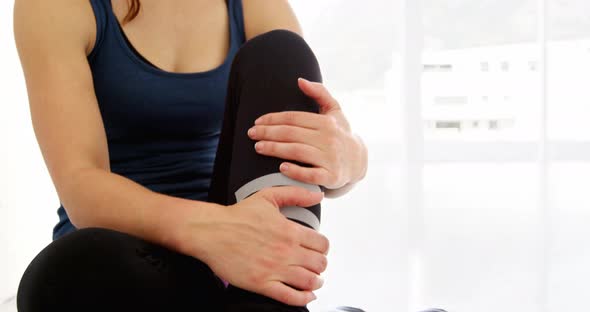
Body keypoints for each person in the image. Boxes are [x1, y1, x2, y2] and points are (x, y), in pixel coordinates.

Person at [13, 0, 368, 311]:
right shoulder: (57, 6)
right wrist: (216, 232)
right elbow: (81, 184)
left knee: (281, 52)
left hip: (244, 263)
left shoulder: (254, 5)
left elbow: (312, 144)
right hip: (129, 261)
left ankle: (267, 302)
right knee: (60, 276)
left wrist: (350, 160)